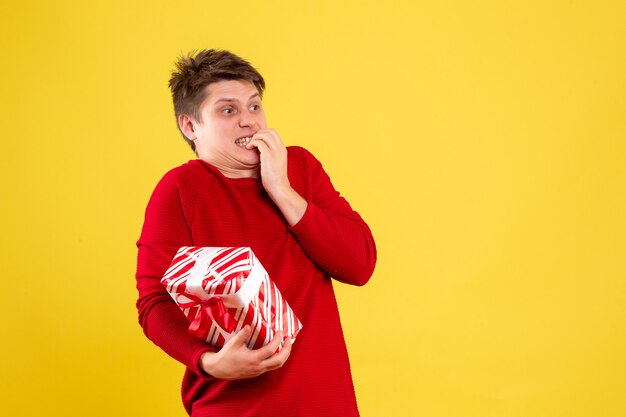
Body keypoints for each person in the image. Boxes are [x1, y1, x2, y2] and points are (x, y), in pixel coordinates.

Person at [135, 49, 377, 417]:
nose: (249, 122)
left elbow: (359, 264)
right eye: (228, 110)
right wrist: (209, 362)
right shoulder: (180, 190)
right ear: (190, 126)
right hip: (234, 407)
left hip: (325, 404)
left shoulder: (299, 169)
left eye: (254, 106)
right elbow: (154, 301)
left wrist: (281, 189)